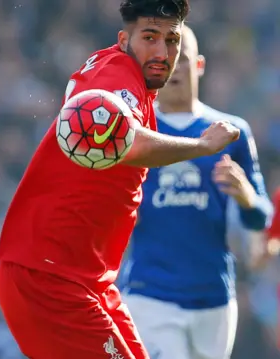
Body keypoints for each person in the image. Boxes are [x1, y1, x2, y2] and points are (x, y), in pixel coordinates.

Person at [0, 0, 243, 358]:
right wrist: (203, 145)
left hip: (88, 279)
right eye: (150, 37)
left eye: (171, 40)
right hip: (49, 281)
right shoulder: (118, 76)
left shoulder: (128, 80)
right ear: (124, 39)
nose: (162, 51)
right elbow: (129, 142)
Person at [119, 25, 273, 359]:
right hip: (150, 294)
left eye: (183, 59)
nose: (174, 68)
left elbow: (262, 216)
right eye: (165, 60)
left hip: (214, 299)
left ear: (199, 65)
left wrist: (245, 196)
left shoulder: (232, 132)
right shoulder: (138, 132)